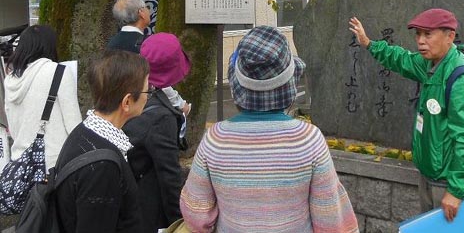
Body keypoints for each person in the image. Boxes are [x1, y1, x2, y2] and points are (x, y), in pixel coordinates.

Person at [180, 25, 358, 232]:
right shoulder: (308, 139)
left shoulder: (215, 139)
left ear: (238, 85)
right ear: (288, 86)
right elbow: (330, 219)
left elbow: (195, 213)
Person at [349, 8, 464, 222]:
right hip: (430, 176)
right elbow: (400, 59)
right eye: (418, 34)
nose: (421, 41)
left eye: (428, 34)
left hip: (448, 185)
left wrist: (457, 191)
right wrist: (368, 43)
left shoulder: (462, 81)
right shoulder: (431, 64)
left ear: (450, 36)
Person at [54, 50, 150, 233]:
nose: (148, 96)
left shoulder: (85, 132)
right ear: (127, 101)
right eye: (148, 90)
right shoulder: (102, 167)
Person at [122, 33, 191, 233]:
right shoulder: (160, 118)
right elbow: (169, 178)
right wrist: (179, 225)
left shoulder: (129, 89)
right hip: (146, 210)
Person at [4, 25, 81, 170]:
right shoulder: (58, 71)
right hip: (53, 164)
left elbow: (12, 129)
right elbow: (73, 126)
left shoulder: (10, 79)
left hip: (21, 164)